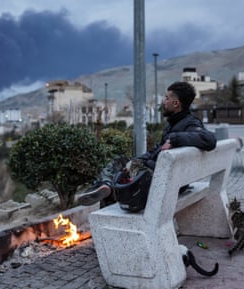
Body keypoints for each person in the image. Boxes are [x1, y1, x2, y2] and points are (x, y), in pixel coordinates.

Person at [77, 81, 216, 207]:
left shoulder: (189, 123)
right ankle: (105, 187)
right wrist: (139, 160)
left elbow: (210, 139)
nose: (163, 101)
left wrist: (174, 139)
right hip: (164, 178)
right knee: (120, 162)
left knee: (120, 178)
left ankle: (107, 190)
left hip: (162, 182)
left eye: (166, 98)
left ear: (176, 103)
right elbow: (156, 151)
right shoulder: (174, 123)